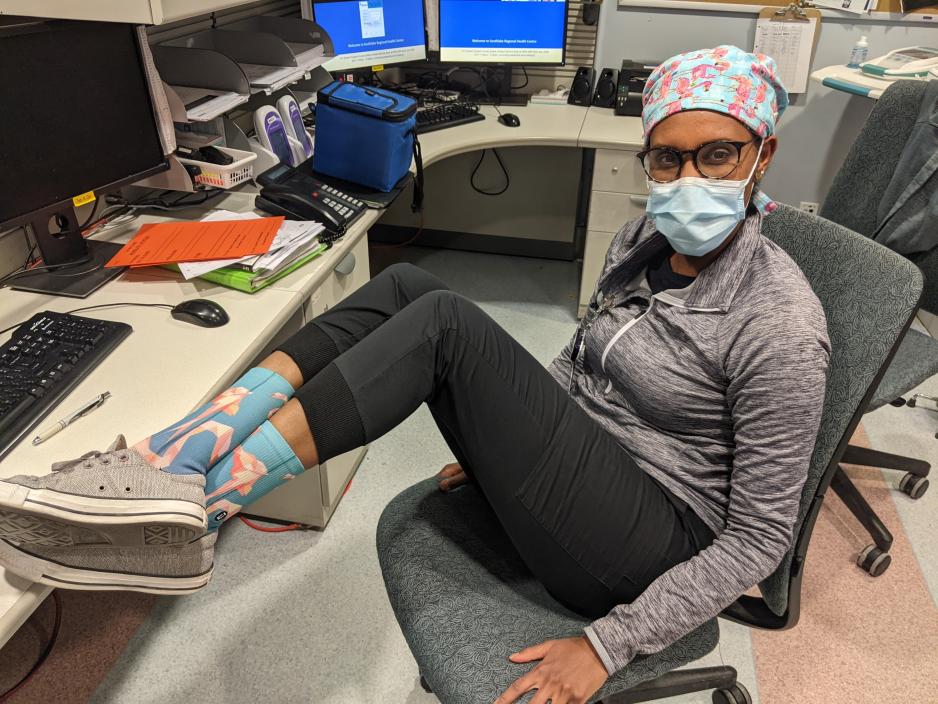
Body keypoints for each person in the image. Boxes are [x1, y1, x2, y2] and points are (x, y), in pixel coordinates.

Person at [0, 46, 830, 704]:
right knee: (406, 285)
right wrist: (511, 440)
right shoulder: (641, 246)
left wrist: (607, 644)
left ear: (763, 155)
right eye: (666, 160)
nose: (688, 182)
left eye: (716, 156)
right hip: (593, 479)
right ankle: (176, 459)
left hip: (650, 549)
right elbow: (577, 369)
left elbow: (761, 541)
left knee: (443, 325)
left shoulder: (781, 323)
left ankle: (201, 506)